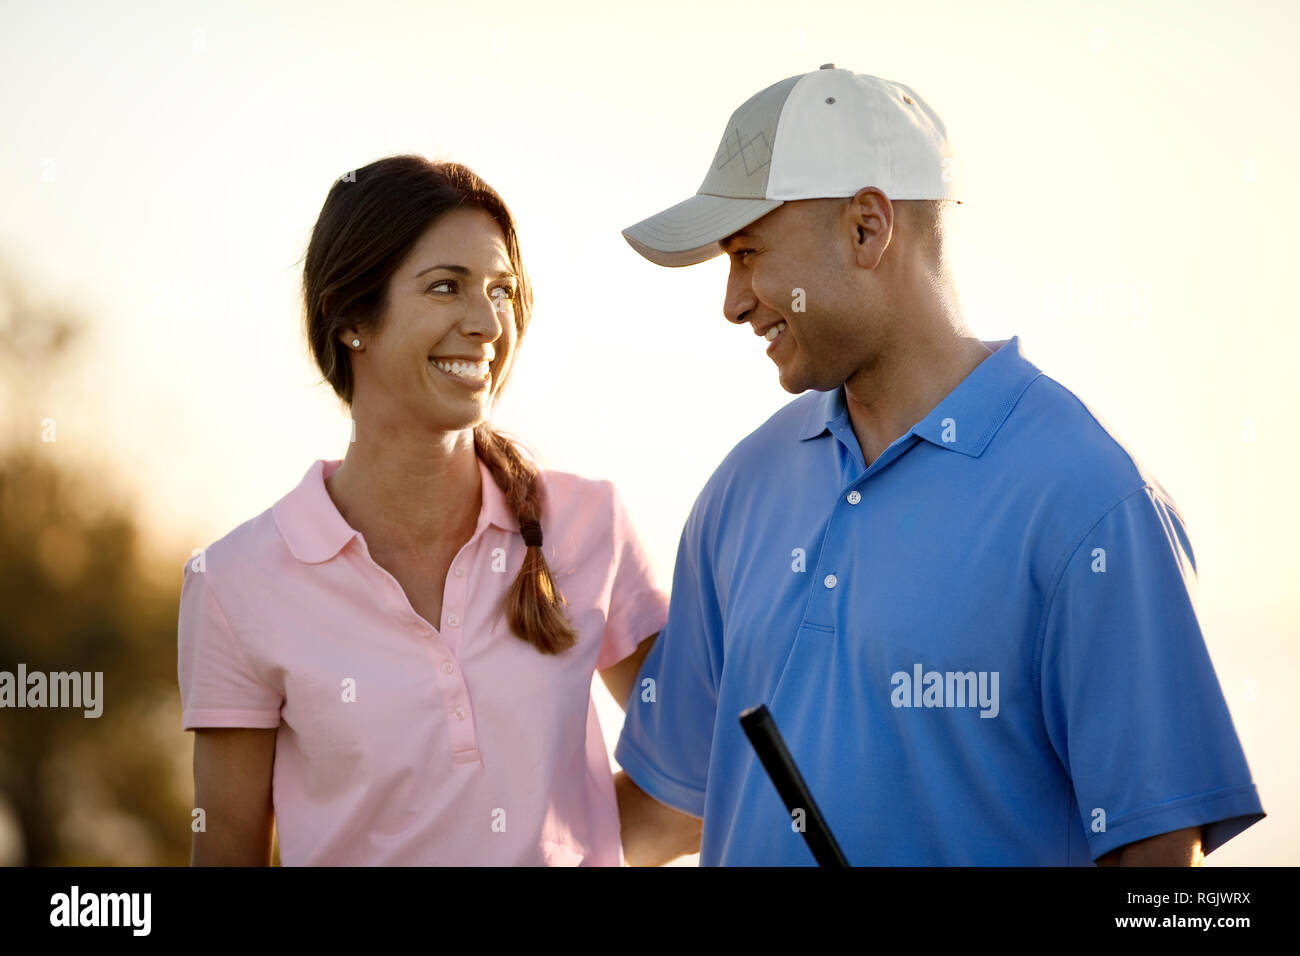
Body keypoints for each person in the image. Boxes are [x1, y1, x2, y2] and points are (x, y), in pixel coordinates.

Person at [612, 65, 1265, 866]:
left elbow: (1159, 854)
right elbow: (669, 809)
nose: (734, 299)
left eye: (748, 253)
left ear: (866, 228)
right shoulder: (742, 487)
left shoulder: (1089, 498)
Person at [177, 156, 667, 865]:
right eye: (446, 287)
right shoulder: (234, 583)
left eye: (502, 290)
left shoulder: (592, 524)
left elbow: (706, 775)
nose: (486, 323)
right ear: (352, 320)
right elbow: (225, 852)